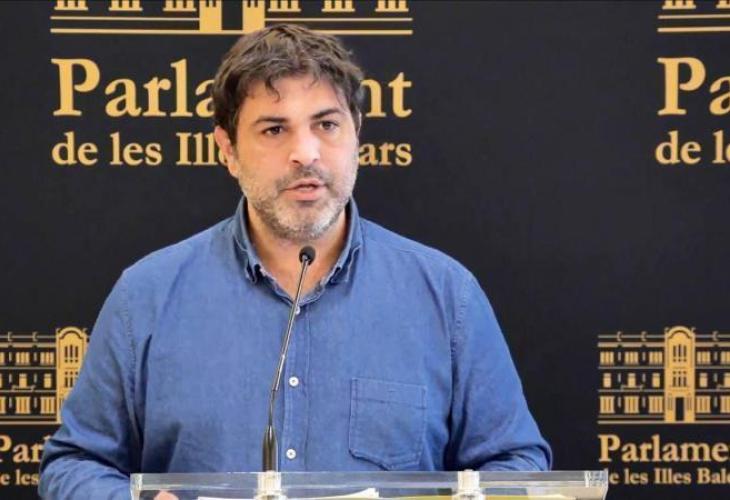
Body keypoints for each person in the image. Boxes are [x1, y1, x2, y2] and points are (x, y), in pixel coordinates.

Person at [39, 24, 551, 499]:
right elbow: (75, 463)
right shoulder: (145, 296)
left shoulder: (446, 295)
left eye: (326, 124)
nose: (305, 153)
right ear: (227, 150)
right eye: (273, 130)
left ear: (356, 133)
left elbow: (515, 462)